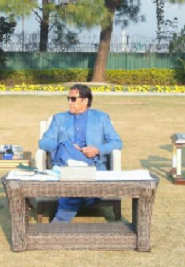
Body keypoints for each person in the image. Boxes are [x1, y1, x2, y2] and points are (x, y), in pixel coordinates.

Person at [38, 84, 122, 222]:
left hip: (91, 162)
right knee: (65, 146)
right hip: (64, 162)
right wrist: (65, 147)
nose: (69, 102)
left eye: (73, 99)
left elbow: (117, 142)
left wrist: (97, 149)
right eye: (68, 98)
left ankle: (59, 222)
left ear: (85, 100)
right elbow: (44, 142)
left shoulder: (101, 118)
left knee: (73, 175)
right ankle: (89, 196)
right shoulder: (59, 118)